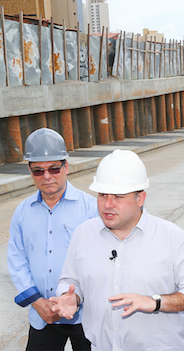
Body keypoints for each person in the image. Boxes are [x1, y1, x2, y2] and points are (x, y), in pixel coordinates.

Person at [50, 149, 184, 351]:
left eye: (118, 196)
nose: (107, 204)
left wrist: (155, 302)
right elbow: (70, 281)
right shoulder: (83, 234)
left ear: (140, 198)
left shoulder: (171, 237)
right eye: (102, 195)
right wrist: (70, 296)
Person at [7, 128, 98, 351]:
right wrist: (38, 302)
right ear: (30, 171)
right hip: (42, 314)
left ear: (66, 167)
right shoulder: (23, 212)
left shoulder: (90, 208)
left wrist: (75, 299)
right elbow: (16, 260)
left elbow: (102, 261)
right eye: (38, 170)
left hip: (87, 315)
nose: (47, 176)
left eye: (54, 168)